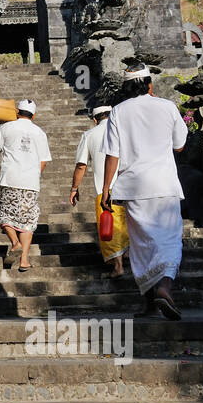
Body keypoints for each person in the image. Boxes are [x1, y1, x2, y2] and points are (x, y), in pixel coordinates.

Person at [101, 65, 189, 320]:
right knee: (169, 240)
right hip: (164, 185)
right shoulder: (168, 107)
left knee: (141, 246)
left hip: (134, 187)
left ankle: (150, 303)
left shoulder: (118, 111)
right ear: (149, 84)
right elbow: (180, 146)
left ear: (127, 87)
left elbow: (112, 154)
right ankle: (164, 287)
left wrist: (106, 188)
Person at [0, 98, 51, 272]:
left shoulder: (7, 127)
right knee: (28, 221)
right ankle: (24, 260)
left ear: (17, 112)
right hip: (30, 183)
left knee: (5, 215)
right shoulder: (39, 132)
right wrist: (34, 175)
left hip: (9, 179)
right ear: (34, 115)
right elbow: (44, 160)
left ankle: (15, 242)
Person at [69, 105, 128, 279]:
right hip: (130, 186)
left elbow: (81, 165)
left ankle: (118, 266)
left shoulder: (90, 135)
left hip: (106, 190)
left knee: (111, 227)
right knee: (129, 222)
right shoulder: (124, 131)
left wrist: (74, 188)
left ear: (95, 120)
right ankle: (130, 256)